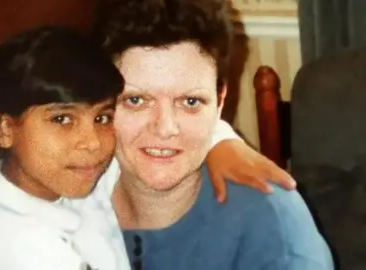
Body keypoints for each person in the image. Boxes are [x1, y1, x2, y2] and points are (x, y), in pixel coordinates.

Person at [0, 24, 294, 270]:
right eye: (61, 119)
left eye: (102, 117)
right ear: (5, 128)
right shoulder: (20, 253)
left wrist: (223, 143)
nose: (91, 143)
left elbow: (166, 131)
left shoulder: (56, 173)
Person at [92, 0, 335, 269]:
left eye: (191, 102)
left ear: (220, 101)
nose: (165, 129)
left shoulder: (276, 231)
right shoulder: (68, 198)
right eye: (136, 101)